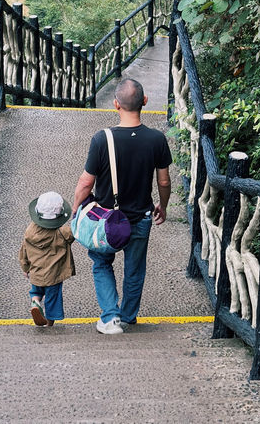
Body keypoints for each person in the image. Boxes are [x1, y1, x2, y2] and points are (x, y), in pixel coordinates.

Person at [72, 77, 172, 334]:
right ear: (145, 102)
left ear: (116, 104)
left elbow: (86, 182)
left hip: (107, 221)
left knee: (102, 263)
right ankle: (127, 316)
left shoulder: (101, 139)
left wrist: (76, 208)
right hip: (141, 217)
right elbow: (163, 180)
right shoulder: (156, 139)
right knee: (135, 269)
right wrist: (163, 205)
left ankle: (110, 317)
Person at [19, 190, 75, 327]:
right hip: (53, 276)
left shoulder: (30, 231)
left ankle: (35, 302)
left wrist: (25, 268)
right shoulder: (62, 232)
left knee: (36, 291)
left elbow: (23, 251)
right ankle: (49, 323)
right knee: (52, 299)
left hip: (36, 273)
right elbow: (76, 230)